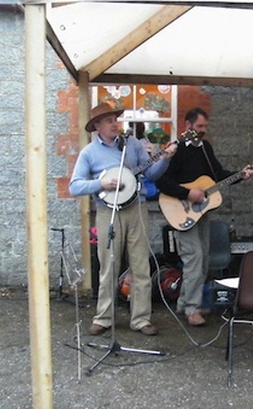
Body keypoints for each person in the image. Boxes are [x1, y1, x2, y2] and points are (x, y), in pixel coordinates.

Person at [69, 101, 176, 337]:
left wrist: (165, 159)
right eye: (108, 121)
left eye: (115, 120)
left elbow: (151, 173)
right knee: (108, 265)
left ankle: (141, 319)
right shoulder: (89, 153)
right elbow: (74, 186)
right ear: (97, 126)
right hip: (108, 212)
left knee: (140, 266)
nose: (114, 124)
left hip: (136, 208)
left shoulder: (132, 144)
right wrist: (101, 183)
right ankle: (104, 317)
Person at [155, 107, 253, 326]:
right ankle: (192, 308)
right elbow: (161, 181)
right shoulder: (176, 149)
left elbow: (217, 176)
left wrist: (240, 175)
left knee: (201, 261)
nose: (203, 131)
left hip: (201, 213)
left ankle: (185, 303)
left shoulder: (205, 149)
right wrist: (187, 193)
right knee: (194, 257)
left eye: (205, 127)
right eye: (199, 126)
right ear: (187, 125)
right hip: (180, 210)